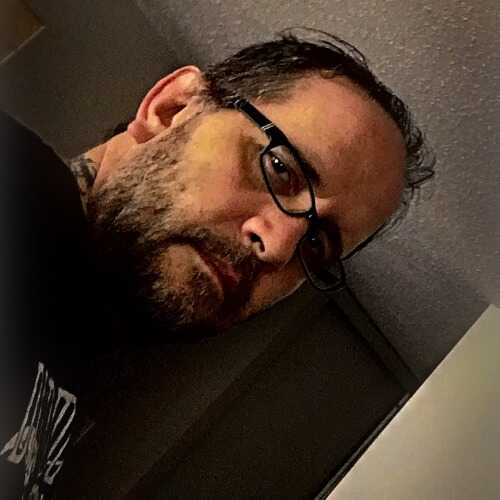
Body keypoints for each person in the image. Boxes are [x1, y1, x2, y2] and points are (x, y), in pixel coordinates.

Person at [1, 29, 434, 498]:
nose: (278, 247)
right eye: (279, 169)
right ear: (172, 108)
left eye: (317, 246)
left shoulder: (80, 366)